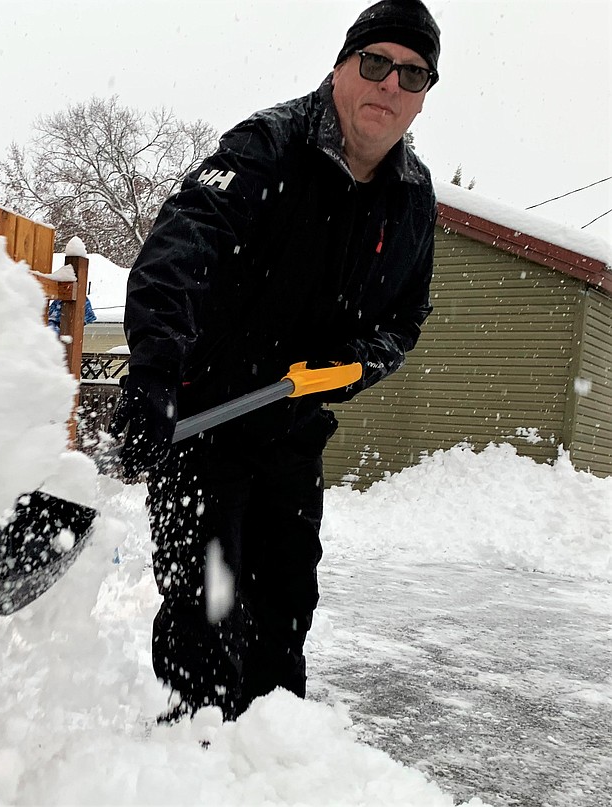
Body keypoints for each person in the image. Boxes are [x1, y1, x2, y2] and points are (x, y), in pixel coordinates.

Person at [109, 0, 441, 722]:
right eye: (376, 63)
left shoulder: (412, 202)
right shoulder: (269, 146)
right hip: (203, 420)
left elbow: (406, 318)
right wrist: (156, 373)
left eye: (412, 75)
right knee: (208, 606)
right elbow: (179, 248)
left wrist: (357, 363)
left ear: (422, 96)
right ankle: (190, 759)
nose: (390, 84)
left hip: (291, 427)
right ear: (342, 66)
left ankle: (273, 758)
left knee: (286, 605)